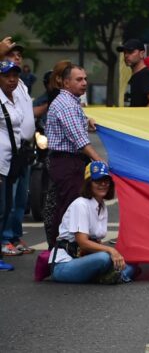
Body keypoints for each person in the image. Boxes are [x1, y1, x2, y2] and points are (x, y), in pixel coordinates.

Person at [44, 64, 105, 247]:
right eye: (79, 79)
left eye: (85, 79)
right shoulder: (67, 105)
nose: (84, 83)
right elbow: (79, 139)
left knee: (66, 204)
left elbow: (74, 128)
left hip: (67, 161)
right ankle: (62, 249)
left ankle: (66, 248)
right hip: (67, 161)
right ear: (66, 82)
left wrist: (87, 121)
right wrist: (98, 159)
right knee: (70, 207)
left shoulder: (70, 102)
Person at [47, 161, 137, 284]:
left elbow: (96, 240)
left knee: (132, 263)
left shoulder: (102, 206)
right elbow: (83, 243)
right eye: (98, 181)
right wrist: (112, 251)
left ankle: (111, 276)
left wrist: (116, 255)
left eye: (106, 180)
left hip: (84, 259)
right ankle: (111, 277)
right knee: (104, 258)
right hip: (64, 265)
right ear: (89, 184)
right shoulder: (80, 204)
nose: (103, 184)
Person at [1, 60, 36, 261]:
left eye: (15, 75)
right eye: (7, 76)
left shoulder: (15, 96)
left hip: (13, 160)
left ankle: (9, 240)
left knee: (9, 206)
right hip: (1, 162)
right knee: (3, 208)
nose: (12, 80)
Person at [120, 38, 149, 107]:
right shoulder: (137, 76)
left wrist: (139, 117)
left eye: (130, 52)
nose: (126, 55)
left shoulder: (145, 75)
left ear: (142, 54)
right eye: (125, 52)